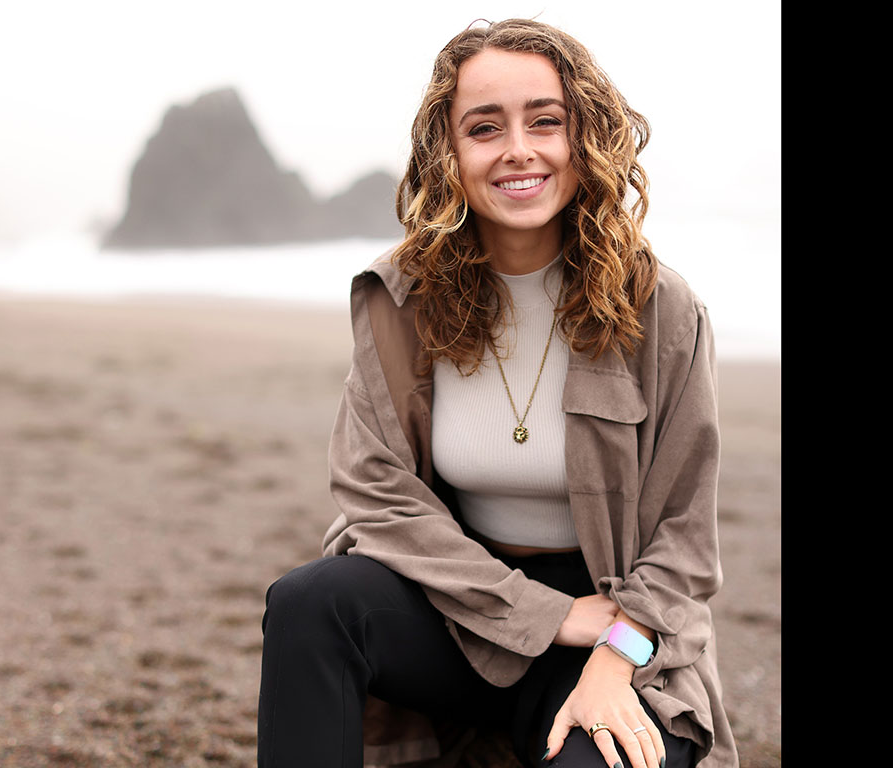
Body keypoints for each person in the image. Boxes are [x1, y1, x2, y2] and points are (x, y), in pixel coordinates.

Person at [257, 18, 737, 768]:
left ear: (586, 138)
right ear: (449, 154)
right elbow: (375, 491)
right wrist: (544, 614)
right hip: (457, 608)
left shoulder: (660, 309)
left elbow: (684, 538)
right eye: (485, 127)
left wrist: (613, 657)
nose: (519, 149)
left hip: (614, 623)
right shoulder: (402, 299)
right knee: (312, 603)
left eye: (545, 121)